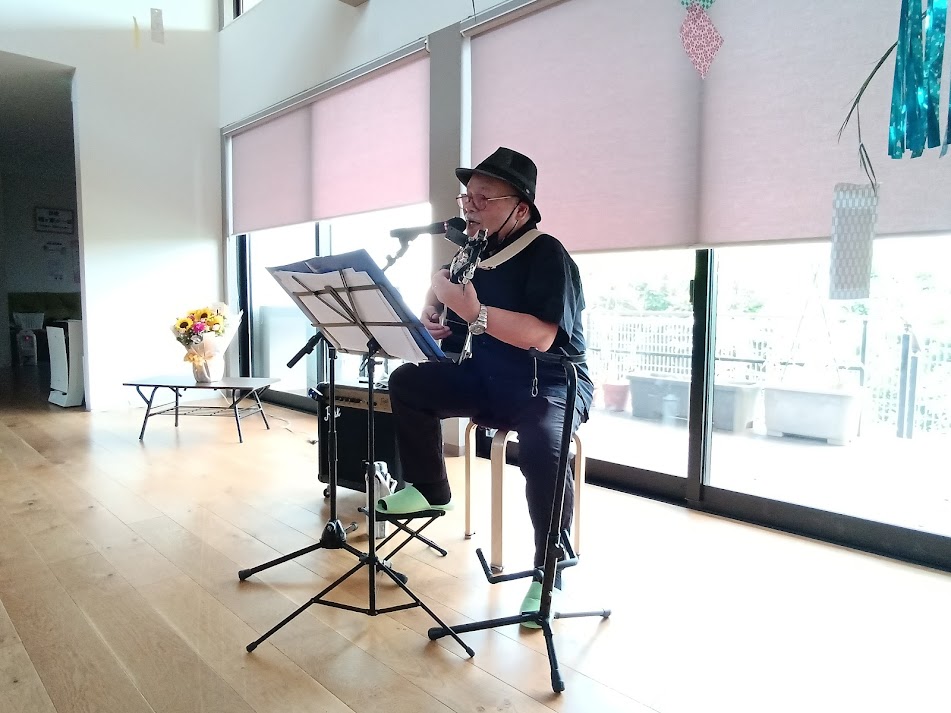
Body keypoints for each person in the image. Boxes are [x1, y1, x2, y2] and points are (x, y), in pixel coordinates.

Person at [376, 147, 594, 624]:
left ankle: (550, 569)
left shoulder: (546, 253)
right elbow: (444, 297)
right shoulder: (473, 251)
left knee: (542, 442)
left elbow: (540, 336)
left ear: (521, 209)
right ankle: (431, 489)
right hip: (489, 377)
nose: (469, 206)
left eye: (483, 198)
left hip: (550, 382)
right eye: (466, 197)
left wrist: (472, 311)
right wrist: (432, 311)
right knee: (409, 382)